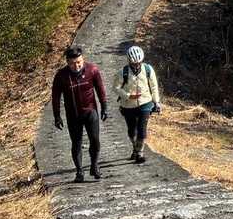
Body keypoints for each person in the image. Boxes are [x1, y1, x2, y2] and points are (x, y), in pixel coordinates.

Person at [51, 45, 108, 183]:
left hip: (90, 112)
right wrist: (57, 116)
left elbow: (100, 90)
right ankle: (79, 171)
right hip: (73, 115)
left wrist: (104, 107)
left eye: (78, 62)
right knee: (76, 143)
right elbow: (56, 97)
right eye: (72, 63)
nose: (76, 66)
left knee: (95, 140)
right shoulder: (61, 76)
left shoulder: (92, 70)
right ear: (67, 62)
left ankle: (94, 166)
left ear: (83, 59)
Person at [115, 45, 161, 164]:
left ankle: (140, 153)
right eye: (134, 63)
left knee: (142, 129)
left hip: (145, 103)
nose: (136, 66)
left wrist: (156, 102)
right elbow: (116, 88)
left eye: (138, 63)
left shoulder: (148, 69)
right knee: (132, 131)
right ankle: (135, 148)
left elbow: (154, 86)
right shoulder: (123, 72)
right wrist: (128, 95)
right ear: (129, 61)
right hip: (128, 105)